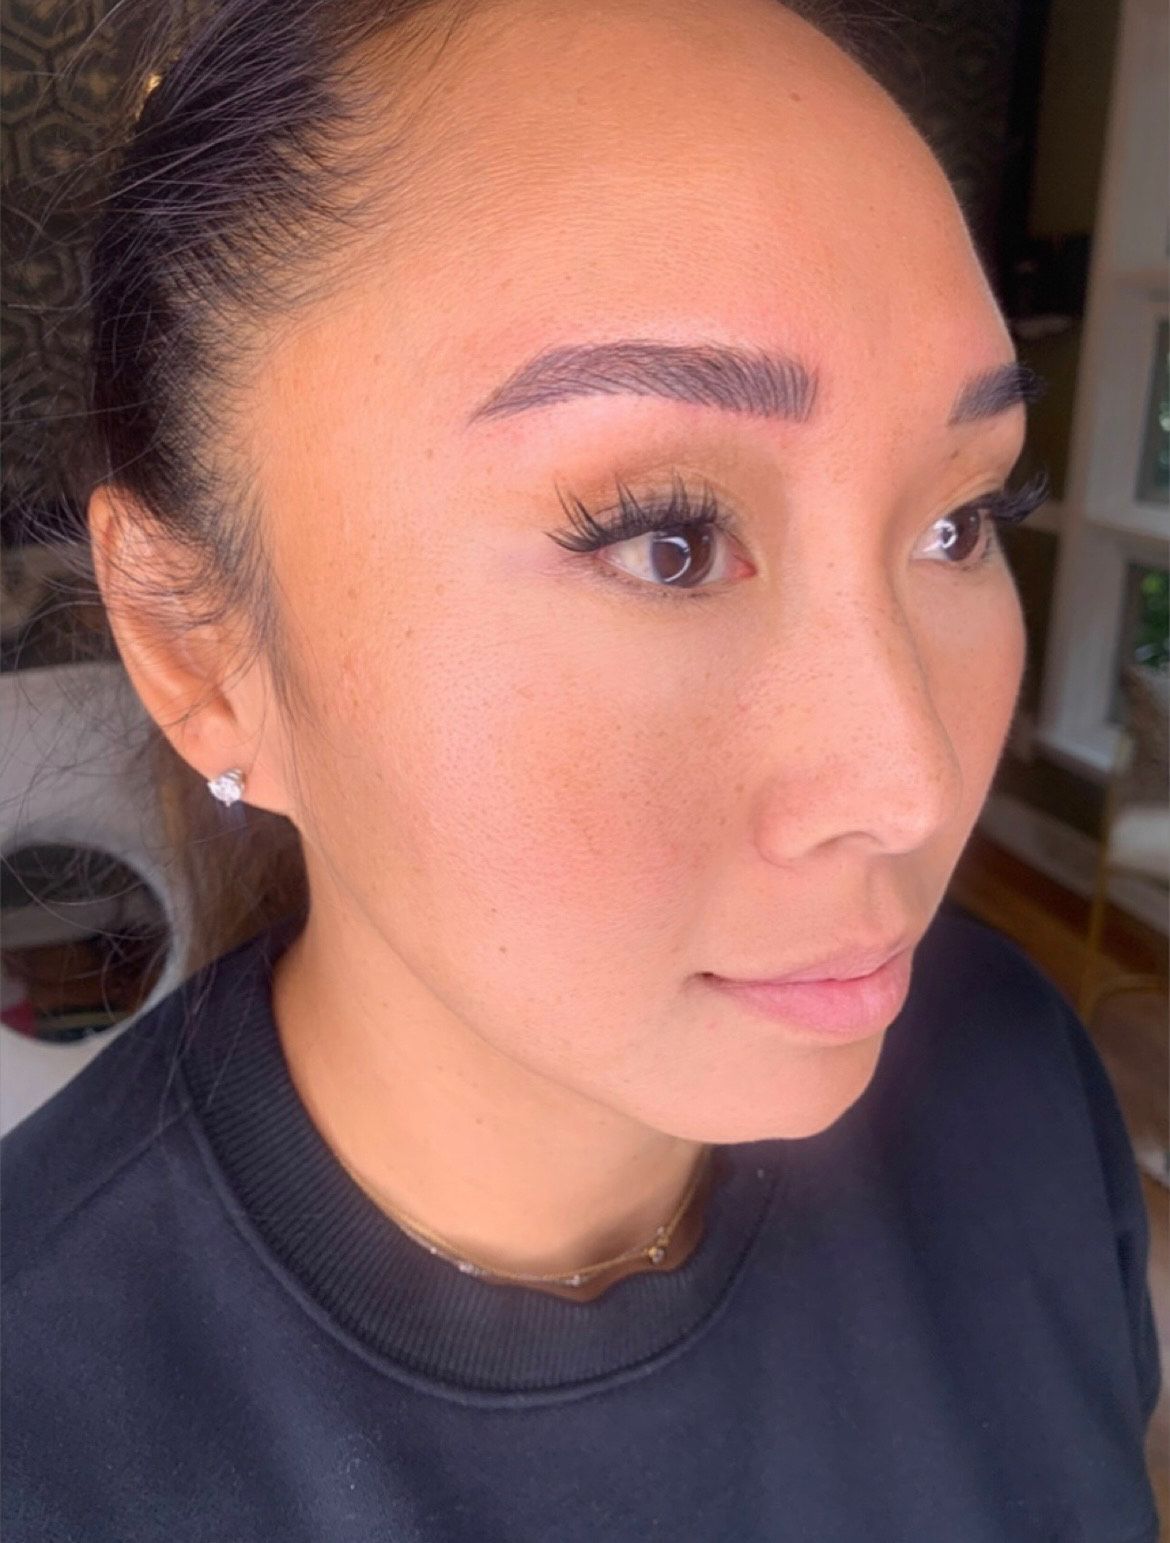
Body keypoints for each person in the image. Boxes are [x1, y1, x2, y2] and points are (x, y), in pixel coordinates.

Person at [2, 0, 1161, 1537]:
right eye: (664, 540)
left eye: (957, 522)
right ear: (196, 644)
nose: (914, 778)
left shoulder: (1009, 1080)